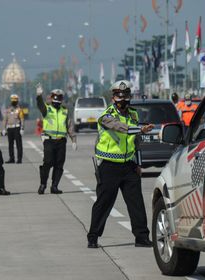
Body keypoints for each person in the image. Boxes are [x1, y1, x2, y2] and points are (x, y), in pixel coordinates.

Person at [87, 80, 154, 249]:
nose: (122, 99)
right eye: (119, 96)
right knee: (104, 203)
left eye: (125, 96)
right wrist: (140, 129)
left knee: (136, 202)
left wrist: (139, 163)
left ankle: (142, 237)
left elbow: (136, 142)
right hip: (109, 165)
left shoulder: (133, 114)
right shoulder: (106, 116)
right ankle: (93, 236)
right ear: (113, 98)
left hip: (129, 165)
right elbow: (120, 128)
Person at [36, 84, 77, 195]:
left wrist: (73, 139)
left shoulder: (65, 111)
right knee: (48, 162)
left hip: (61, 141)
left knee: (59, 164)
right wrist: (39, 96)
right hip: (49, 140)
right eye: (55, 97)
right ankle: (43, 184)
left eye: (59, 98)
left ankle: (54, 186)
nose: (57, 99)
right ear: (52, 97)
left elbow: (69, 125)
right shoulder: (47, 109)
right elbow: (40, 105)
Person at [2, 94, 25, 164]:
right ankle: (11, 158)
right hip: (10, 128)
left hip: (17, 128)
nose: (14, 102)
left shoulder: (19, 110)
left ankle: (19, 159)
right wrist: (4, 129)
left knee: (19, 144)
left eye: (15, 100)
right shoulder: (8, 110)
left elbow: (22, 119)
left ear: (17, 101)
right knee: (10, 144)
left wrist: (22, 128)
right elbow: (5, 120)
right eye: (13, 100)